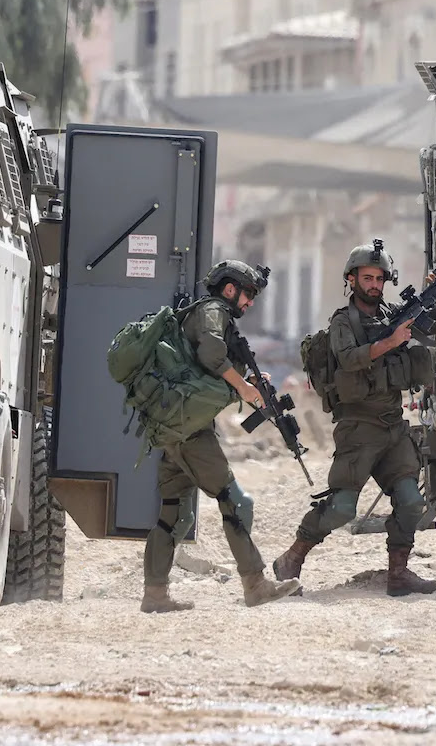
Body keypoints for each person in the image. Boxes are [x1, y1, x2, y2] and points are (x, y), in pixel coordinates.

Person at [273, 239, 436, 597]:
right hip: (358, 428)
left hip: (391, 425)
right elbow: (349, 358)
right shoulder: (344, 321)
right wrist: (389, 343)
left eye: (379, 279)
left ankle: (398, 575)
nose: (373, 284)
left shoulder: (391, 316)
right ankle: (291, 558)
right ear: (352, 280)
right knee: (341, 508)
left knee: (411, 501)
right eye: (367, 278)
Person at [140, 260, 302, 613]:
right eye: (248, 295)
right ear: (230, 289)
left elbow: (209, 366)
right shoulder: (214, 310)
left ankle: (154, 595)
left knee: (174, 514)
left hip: (176, 426)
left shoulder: (206, 313)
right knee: (235, 501)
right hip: (189, 429)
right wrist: (243, 387)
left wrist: (250, 384)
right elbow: (211, 352)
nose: (250, 303)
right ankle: (255, 584)